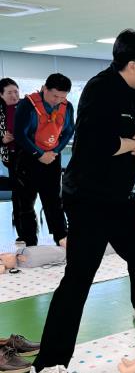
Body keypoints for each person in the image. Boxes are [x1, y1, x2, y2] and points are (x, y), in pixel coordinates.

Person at [28, 29, 135, 373]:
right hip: (89, 197)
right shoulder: (100, 91)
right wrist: (134, 144)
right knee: (79, 277)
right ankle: (46, 367)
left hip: (117, 196)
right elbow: (95, 145)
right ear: (134, 65)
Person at [13, 74, 74, 247]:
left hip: (52, 157)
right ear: (45, 89)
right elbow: (20, 134)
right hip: (28, 157)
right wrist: (39, 154)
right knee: (26, 202)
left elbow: (69, 130)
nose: (58, 101)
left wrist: (55, 151)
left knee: (54, 199)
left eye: (62, 97)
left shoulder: (67, 106)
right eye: (55, 96)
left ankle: (61, 237)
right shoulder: (27, 105)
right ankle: (29, 240)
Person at [0, 78, 22, 239]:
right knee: (18, 193)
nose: (14, 95)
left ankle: (28, 229)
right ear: (1, 95)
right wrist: (3, 139)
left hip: (29, 155)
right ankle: (21, 230)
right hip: (11, 157)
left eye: (16, 91)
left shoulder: (25, 106)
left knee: (27, 193)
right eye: (9, 92)